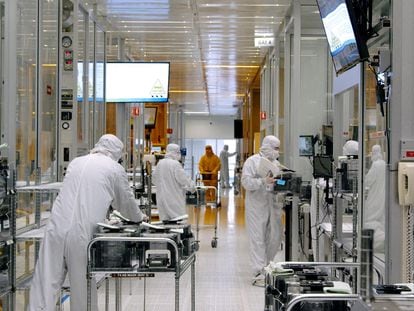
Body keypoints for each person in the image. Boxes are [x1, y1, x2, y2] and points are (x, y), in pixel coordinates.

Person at [29, 134, 147, 311]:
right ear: (117, 153)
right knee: (82, 288)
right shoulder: (114, 168)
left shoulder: (76, 162)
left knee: (45, 283)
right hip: (83, 233)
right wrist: (139, 217)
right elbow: (125, 203)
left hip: (56, 227)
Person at [241, 135, 283, 286]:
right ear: (267, 147)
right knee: (258, 239)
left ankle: (268, 268)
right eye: (276, 148)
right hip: (256, 206)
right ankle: (258, 273)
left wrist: (283, 181)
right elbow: (245, 182)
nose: (277, 152)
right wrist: (262, 181)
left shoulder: (276, 164)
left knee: (274, 238)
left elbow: (279, 181)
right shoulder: (252, 161)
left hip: (273, 206)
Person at [153, 143, 196, 221]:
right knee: (178, 224)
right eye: (178, 152)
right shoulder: (175, 164)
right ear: (175, 152)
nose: (179, 155)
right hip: (174, 200)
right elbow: (184, 180)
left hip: (161, 200)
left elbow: (154, 179)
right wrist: (193, 187)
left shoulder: (160, 163)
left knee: (165, 225)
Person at [364, 144, 386, 252]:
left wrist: (363, 179)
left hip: (375, 193)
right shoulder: (384, 164)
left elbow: (369, 180)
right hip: (383, 193)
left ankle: (374, 241)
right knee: (381, 214)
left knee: (371, 214)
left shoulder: (376, 165)